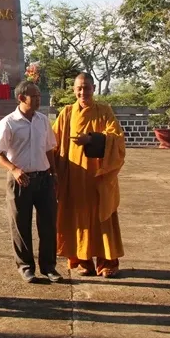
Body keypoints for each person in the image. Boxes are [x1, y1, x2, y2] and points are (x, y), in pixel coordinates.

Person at [52, 72, 126, 278]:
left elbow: (117, 139)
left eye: (87, 87)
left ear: (94, 89)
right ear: (74, 90)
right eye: (79, 88)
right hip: (74, 177)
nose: (83, 92)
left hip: (99, 177)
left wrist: (92, 139)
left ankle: (107, 261)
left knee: (103, 217)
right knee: (76, 218)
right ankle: (83, 261)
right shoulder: (66, 114)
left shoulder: (104, 111)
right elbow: (52, 143)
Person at [0, 80, 62, 284]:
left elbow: (49, 148)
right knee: (20, 225)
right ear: (21, 98)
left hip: (44, 178)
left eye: (40, 95)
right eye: (35, 96)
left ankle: (49, 267)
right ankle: (26, 267)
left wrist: (54, 172)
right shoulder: (8, 122)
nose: (39, 99)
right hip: (20, 180)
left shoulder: (42, 121)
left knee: (48, 224)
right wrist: (14, 169)